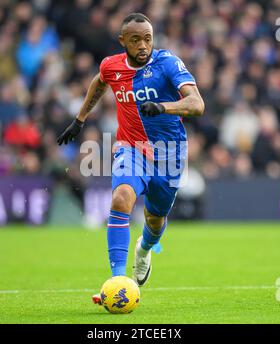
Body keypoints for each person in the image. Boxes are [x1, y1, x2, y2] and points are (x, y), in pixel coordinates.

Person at [57, 13, 204, 303]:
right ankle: (117, 280)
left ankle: (145, 250)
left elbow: (197, 104)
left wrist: (163, 107)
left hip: (169, 154)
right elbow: (99, 83)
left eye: (147, 38)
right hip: (131, 147)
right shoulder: (111, 66)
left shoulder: (167, 64)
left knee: (155, 219)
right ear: (122, 40)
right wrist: (80, 119)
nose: (143, 45)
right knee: (121, 197)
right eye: (135, 39)